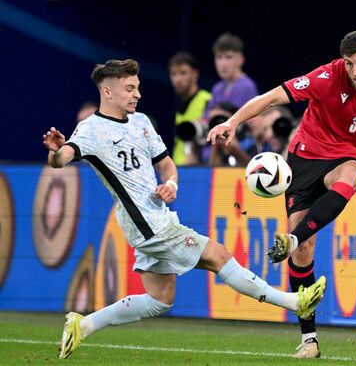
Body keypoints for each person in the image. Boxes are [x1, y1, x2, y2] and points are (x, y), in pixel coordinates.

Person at [42, 59, 326, 359]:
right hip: (146, 222)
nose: (137, 94)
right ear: (108, 92)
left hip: (155, 215)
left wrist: (172, 184)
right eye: (129, 89)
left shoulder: (141, 123)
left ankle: (83, 325)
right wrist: (57, 151)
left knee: (160, 299)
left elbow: (166, 165)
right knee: (219, 256)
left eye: (137, 87)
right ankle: (294, 302)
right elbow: (62, 160)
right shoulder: (90, 130)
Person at [208, 30, 356, 358]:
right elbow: (270, 98)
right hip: (304, 158)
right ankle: (310, 340)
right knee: (303, 253)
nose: (355, 71)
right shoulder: (326, 76)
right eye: (350, 64)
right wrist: (234, 121)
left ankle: (293, 238)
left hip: (345, 155)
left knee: (355, 174)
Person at [168, 51, 212, 165]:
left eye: (183, 73)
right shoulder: (178, 106)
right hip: (180, 169)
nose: (177, 79)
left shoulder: (207, 100)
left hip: (200, 169)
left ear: (195, 74)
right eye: (173, 74)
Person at [203, 32, 259, 117]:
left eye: (228, 57)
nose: (223, 63)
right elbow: (207, 118)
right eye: (219, 57)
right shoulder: (217, 88)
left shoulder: (247, 86)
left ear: (241, 59)